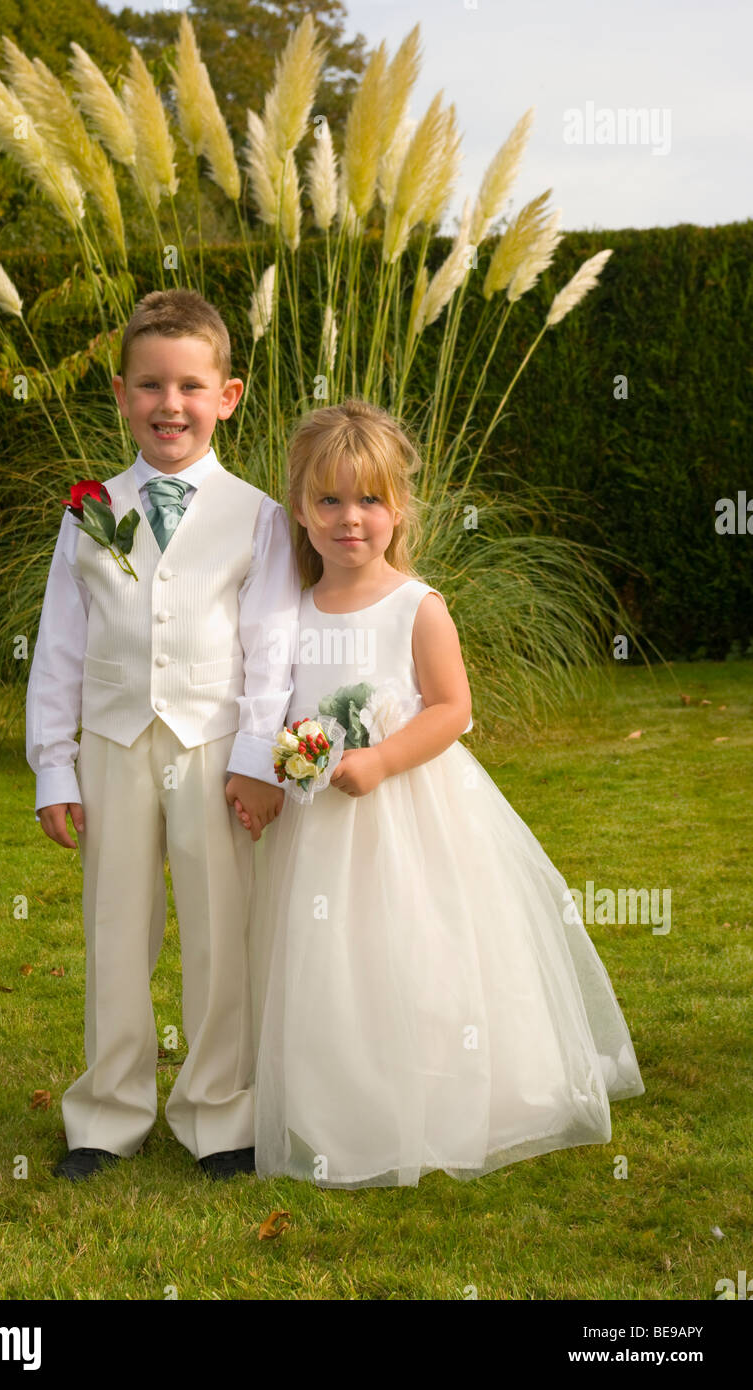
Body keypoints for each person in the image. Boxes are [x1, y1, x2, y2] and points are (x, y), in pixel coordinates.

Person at [234, 398, 645, 1189]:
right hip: (320, 826)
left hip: (406, 813)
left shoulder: (415, 606)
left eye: (369, 501)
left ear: (398, 509)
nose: (348, 519)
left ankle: (437, 1089)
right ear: (298, 508)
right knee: (329, 957)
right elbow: (282, 701)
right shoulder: (290, 608)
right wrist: (284, 764)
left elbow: (452, 709)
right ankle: (339, 1095)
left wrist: (382, 760)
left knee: (414, 944)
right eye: (328, 500)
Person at [26, 288, 300, 1182]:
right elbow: (60, 647)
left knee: (222, 929)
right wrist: (51, 767)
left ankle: (220, 1115)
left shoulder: (258, 514)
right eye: (149, 386)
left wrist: (260, 760)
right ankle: (106, 1113)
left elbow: (271, 651)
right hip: (111, 742)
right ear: (120, 394)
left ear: (228, 394)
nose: (168, 404)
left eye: (189, 385)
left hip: (215, 747)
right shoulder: (88, 509)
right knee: (115, 925)